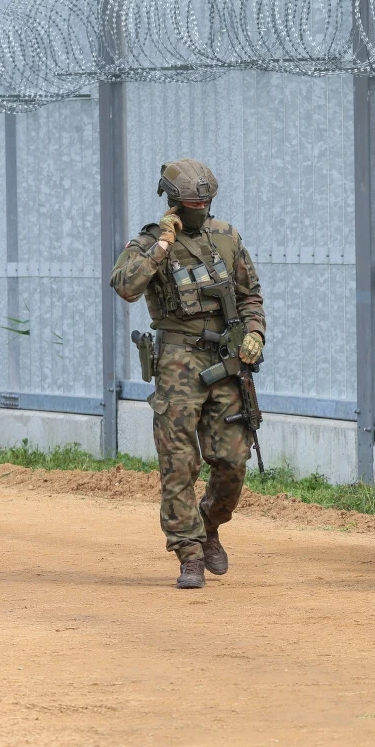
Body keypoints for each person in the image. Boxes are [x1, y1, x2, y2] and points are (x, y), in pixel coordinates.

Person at [110, 159, 265, 589]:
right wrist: (162, 245)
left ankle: (208, 523)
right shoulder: (149, 241)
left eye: (206, 202)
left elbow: (251, 295)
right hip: (178, 361)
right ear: (174, 202)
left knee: (233, 460)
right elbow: (124, 285)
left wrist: (255, 333)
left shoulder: (227, 237)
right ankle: (189, 553)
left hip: (227, 362)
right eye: (194, 202)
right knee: (179, 464)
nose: (202, 208)